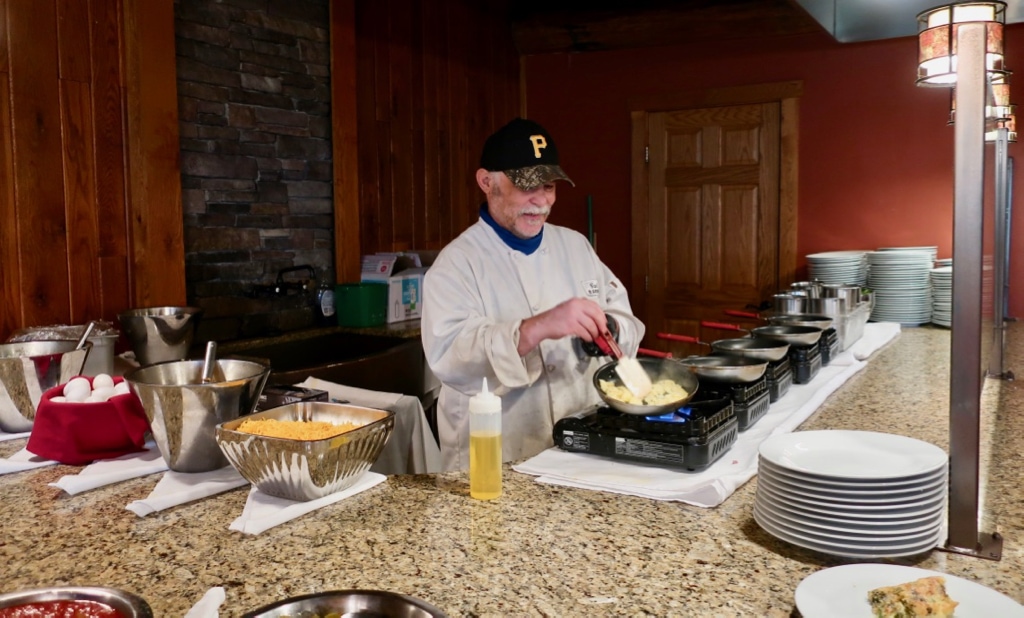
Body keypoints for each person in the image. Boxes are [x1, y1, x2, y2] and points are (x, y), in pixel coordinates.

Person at [421, 117, 645, 471]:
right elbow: (451, 358)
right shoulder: (456, 265)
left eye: (550, 186)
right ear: (486, 182)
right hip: (496, 457)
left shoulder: (575, 245)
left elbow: (624, 317)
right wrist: (538, 327)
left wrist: (610, 331)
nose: (541, 201)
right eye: (527, 186)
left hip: (580, 442)